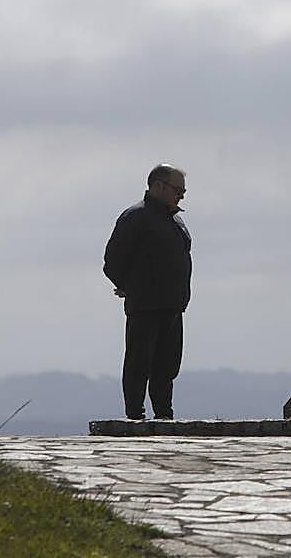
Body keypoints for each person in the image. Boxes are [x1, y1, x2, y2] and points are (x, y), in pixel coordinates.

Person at [103, 163, 192, 420]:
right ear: (158, 186)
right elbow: (113, 261)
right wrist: (132, 287)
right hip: (145, 305)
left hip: (173, 305)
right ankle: (135, 415)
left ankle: (164, 414)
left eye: (183, 191)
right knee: (139, 363)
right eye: (178, 189)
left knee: (167, 365)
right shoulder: (136, 217)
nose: (182, 195)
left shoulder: (176, 220)